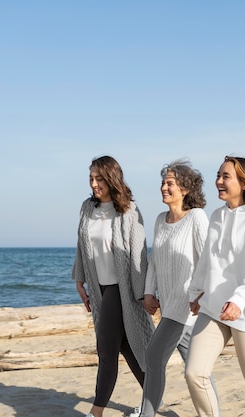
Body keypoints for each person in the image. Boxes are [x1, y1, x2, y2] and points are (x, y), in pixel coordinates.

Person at [185, 155, 245, 417]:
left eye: (225, 176)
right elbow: (206, 260)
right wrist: (196, 292)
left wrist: (239, 300)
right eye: (218, 175)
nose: (218, 181)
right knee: (195, 372)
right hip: (213, 307)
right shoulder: (216, 216)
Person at [131, 159, 215, 417]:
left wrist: (203, 294)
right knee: (197, 371)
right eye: (163, 183)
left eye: (170, 183)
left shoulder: (197, 218)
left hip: (188, 306)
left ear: (186, 189)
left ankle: (147, 414)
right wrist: (148, 292)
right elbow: (155, 261)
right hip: (168, 305)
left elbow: (208, 260)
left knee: (154, 357)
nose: (164, 187)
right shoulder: (160, 220)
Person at [72, 155, 154, 417]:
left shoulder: (128, 209)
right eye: (91, 178)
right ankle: (153, 397)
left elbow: (139, 254)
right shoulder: (87, 207)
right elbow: (81, 246)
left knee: (106, 349)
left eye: (99, 178)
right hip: (100, 289)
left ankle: (96, 412)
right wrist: (79, 280)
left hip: (123, 289)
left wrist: (143, 294)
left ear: (111, 178)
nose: (94, 184)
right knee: (127, 346)